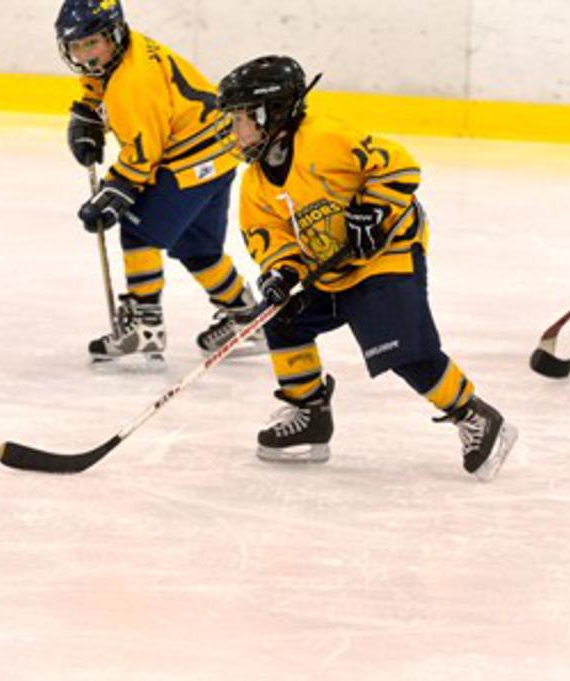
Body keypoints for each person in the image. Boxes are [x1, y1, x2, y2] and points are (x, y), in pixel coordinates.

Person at [214, 55, 517, 480]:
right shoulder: (256, 183)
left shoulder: (326, 138)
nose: (234, 131)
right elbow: (271, 239)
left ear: (271, 113)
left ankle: (474, 415)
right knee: (281, 320)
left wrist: (372, 211)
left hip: (386, 252)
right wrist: (281, 272)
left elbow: (399, 166)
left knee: (401, 350)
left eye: (240, 119)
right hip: (333, 267)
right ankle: (310, 413)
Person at [54, 0, 265, 362]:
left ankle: (145, 325)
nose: (86, 55)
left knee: (139, 230)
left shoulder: (131, 83)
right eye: (77, 45)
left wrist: (115, 191)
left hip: (190, 160)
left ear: (113, 34)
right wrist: (89, 111)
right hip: (218, 152)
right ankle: (247, 316)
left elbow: (142, 154)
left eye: (92, 44)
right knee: (197, 247)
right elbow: (98, 82)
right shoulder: (122, 53)